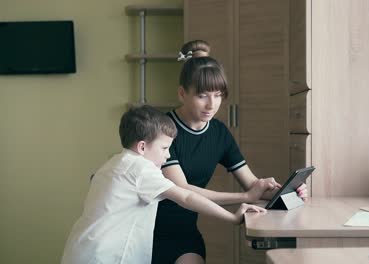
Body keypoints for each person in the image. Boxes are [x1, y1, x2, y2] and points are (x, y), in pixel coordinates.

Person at [152, 40, 308, 264]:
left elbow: (252, 184)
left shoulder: (218, 132)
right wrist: (244, 198)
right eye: (202, 95)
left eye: (217, 95)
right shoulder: (164, 129)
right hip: (148, 227)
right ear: (182, 93)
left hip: (185, 230)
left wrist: (288, 192)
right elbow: (182, 190)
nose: (211, 105)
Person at [60, 105, 266, 264]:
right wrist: (232, 217)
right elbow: (186, 196)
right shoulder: (141, 169)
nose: (168, 155)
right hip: (106, 257)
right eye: (164, 148)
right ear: (142, 147)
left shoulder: (114, 163)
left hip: (82, 251)